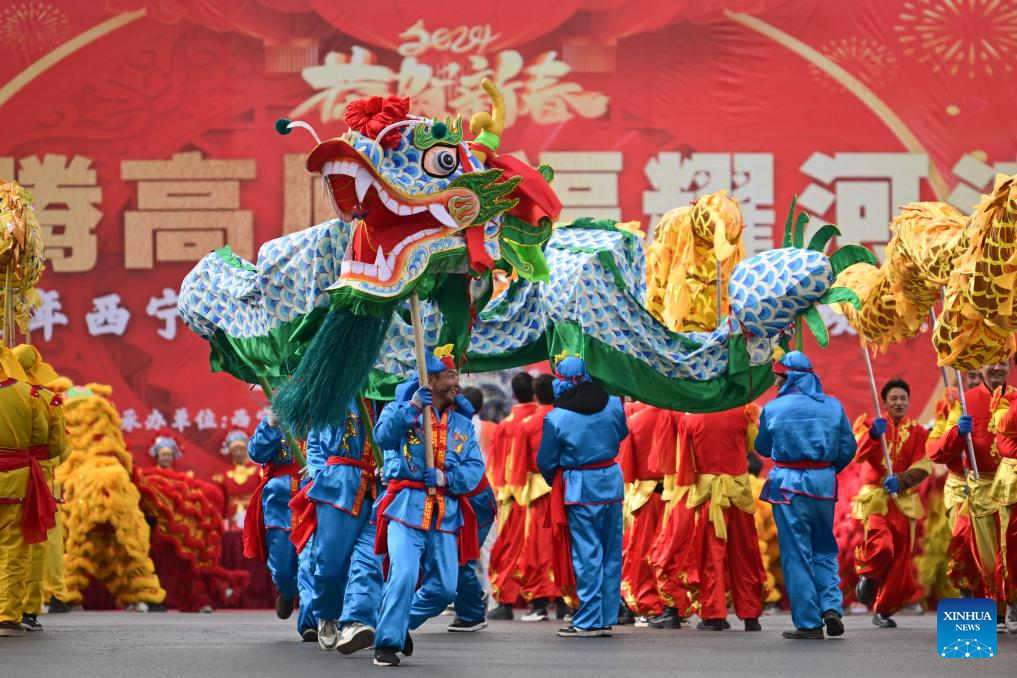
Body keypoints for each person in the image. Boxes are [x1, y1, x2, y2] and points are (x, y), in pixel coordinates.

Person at [371, 345, 486, 667]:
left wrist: (448, 478)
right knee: (405, 574)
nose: (456, 383)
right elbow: (383, 438)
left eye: (456, 376)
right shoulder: (401, 411)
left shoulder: (462, 425)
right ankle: (387, 644)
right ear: (430, 379)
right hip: (406, 509)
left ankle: (396, 624)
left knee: (444, 590)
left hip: (444, 514)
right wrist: (410, 408)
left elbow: (476, 468)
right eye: (450, 376)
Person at [755, 350, 856, 640]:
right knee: (824, 548)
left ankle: (810, 622)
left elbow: (762, 447)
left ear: (789, 377)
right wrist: (824, 469)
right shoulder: (834, 406)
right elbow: (848, 448)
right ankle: (832, 607)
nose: (775, 384)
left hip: (789, 485)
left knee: (796, 554)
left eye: (777, 377)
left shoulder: (774, 408)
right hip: (823, 485)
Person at [537, 354, 629, 637]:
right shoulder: (614, 404)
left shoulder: (556, 417)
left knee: (588, 554)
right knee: (611, 553)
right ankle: (605, 617)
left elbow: (546, 460)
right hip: (611, 482)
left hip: (579, 487)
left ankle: (589, 619)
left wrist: (557, 475)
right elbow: (621, 434)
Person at [294, 397, 384, 652]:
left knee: (369, 561)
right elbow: (315, 438)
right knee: (330, 565)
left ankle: (357, 621)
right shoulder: (338, 391)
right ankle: (327, 613)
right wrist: (317, 470)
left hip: (380, 488)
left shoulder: (391, 393)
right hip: (339, 485)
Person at [670, 406, 766, 631]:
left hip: (707, 494)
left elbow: (684, 462)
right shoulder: (743, 412)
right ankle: (751, 615)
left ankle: (714, 614)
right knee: (745, 552)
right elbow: (751, 447)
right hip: (739, 492)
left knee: (712, 555)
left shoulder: (690, 417)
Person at [928, 362, 1012, 608]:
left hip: (1011, 488)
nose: (997, 368)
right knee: (972, 547)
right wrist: (956, 435)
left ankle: (1007, 607)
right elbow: (936, 453)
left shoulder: (1015, 397)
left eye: (1003, 362)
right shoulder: (962, 404)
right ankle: (980, 603)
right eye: (973, 374)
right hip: (972, 488)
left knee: (1010, 550)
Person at [852, 378, 931, 628]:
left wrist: (903, 479)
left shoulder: (918, 431)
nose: (899, 402)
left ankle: (883, 610)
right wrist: (873, 435)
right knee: (882, 546)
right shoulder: (871, 426)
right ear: (884, 402)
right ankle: (869, 575)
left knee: (900, 560)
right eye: (894, 398)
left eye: (903, 398)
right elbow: (857, 454)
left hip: (904, 501)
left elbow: (924, 465)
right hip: (876, 500)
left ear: (908, 401)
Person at [0, 349, 63, 637]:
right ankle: (8, 615)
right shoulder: (33, 395)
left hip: (22, 480)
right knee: (15, 551)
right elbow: (50, 445)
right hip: (18, 483)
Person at [12, 345, 71, 624]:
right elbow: (60, 447)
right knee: (34, 545)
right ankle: (27, 609)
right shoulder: (46, 399)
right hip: (36, 481)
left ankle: (6, 607)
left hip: (10, 476)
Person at [510, 374, 562, 621]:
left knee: (536, 548)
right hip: (563, 489)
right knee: (562, 545)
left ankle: (540, 602)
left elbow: (518, 468)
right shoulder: (565, 419)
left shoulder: (528, 425)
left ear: (536, 395)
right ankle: (565, 602)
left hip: (537, 492)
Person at [487, 372, 537, 620]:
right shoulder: (545, 418)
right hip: (547, 492)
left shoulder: (507, 426)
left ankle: (507, 599)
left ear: (514, 395)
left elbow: (496, 465)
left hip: (513, 492)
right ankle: (553, 599)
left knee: (509, 545)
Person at [448, 386, 498, 632]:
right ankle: (475, 598)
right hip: (468, 496)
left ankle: (473, 610)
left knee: (463, 557)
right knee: (463, 556)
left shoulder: (463, 426)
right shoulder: (482, 425)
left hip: (474, 497)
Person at [245, 415, 302, 624]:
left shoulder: (326, 414)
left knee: (315, 562)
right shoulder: (277, 416)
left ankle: (311, 622)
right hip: (280, 500)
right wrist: (271, 424)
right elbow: (256, 453)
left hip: (316, 494)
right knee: (282, 566)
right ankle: (287, 592)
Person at [617, 402, 667, 625]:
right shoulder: (681, 416)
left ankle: (649, 604)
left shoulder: (636, 421)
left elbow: (626, 470)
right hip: (678, 493)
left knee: (643, 551)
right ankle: (672, 606)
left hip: (647, 496)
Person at [990, 368, 1017, 634]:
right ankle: (1012, 602)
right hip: (1012, 482)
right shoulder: (1005, 400)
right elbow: (1006, 427)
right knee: (1009, 546)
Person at [215, 430, 259, 530]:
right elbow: (222, 502)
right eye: (235, 450)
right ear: (230, 451)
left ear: (246, 449)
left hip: (254, 516)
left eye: (241, 449)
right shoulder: (224, 476)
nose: (238, 453)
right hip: (231, 519)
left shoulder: (258, 472)